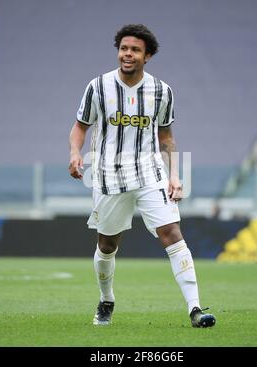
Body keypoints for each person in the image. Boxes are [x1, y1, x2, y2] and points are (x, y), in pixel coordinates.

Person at [68, 24, 216, 328]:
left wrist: (174, 175)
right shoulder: (98, 87)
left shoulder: (161, 91)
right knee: (107, 245)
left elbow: (167, 138)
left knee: (172, 234)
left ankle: (196, 309)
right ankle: (106, 299)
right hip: (109, 177)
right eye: (124, 48)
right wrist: (74, 153)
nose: (127, 54)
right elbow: (80, 127)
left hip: (150, 173)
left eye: (135, 50)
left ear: (147, 56)